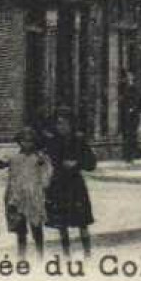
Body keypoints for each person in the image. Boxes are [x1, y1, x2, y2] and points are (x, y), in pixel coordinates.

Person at [44, 110, 96, 256]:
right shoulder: (53, 142)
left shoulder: (79, 141)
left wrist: (77, 163)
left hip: (75, 185)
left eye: (64, 123)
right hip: (59, 185)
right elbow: (49, 161)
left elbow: (91, 163)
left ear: (71, 125)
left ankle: (87, 253)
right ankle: (66, 254)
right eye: (58, 123)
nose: (61, 126)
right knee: (62, 223)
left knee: (82, 221)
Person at [3, 126, 51, 257]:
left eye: (30, 141)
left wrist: (42, 186)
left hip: (34, 197)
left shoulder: (39, 158)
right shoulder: (15, 158)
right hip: (18, 197)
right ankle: (21, 257)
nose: (27, 144)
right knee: (21, 230)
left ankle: (40, 254)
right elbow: (5, 167)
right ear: (19, 142)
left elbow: (46, 174)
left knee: (36, 227)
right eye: (23, 141)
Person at [117, 70, 141, 163]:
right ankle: (128, 155)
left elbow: (139, 101)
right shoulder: (123, 88)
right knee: (127, 135)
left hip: (132, 116)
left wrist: (133, 109)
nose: (127, 79)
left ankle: (131, 156)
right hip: (125, 116)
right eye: (126, 77)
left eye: (129, 77)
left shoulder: (134, 88)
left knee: (131, 135)